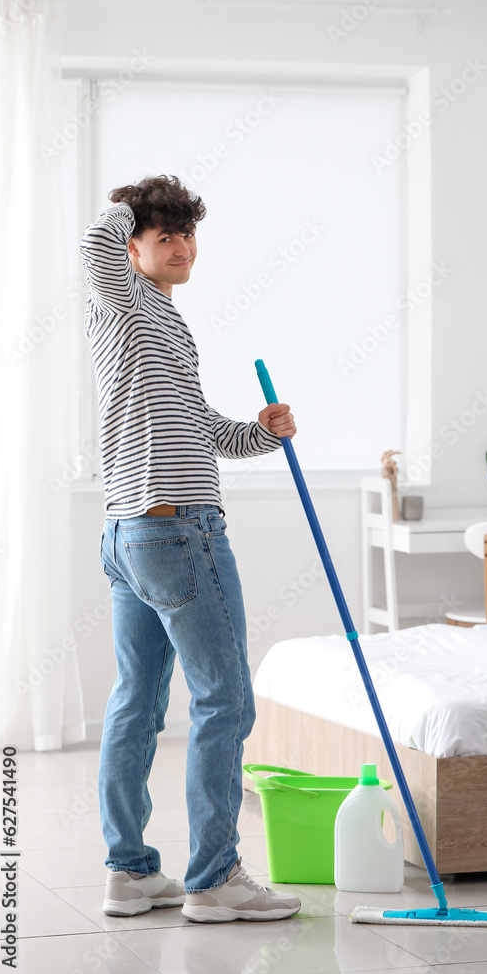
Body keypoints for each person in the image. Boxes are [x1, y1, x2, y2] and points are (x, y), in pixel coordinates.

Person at [80, 174, 301, 923]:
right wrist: (127, 203)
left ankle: (132, 874)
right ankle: (214, 880)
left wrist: (262, 433)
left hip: (134, 534)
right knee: (224, 702)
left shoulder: (165, 327)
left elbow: (203, 430)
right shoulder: (122, 301)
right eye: (162, 235)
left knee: (137, 702)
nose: (180, 247)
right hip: (177, 532)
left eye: (186, 233)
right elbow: (92, 247)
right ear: (133, 246)